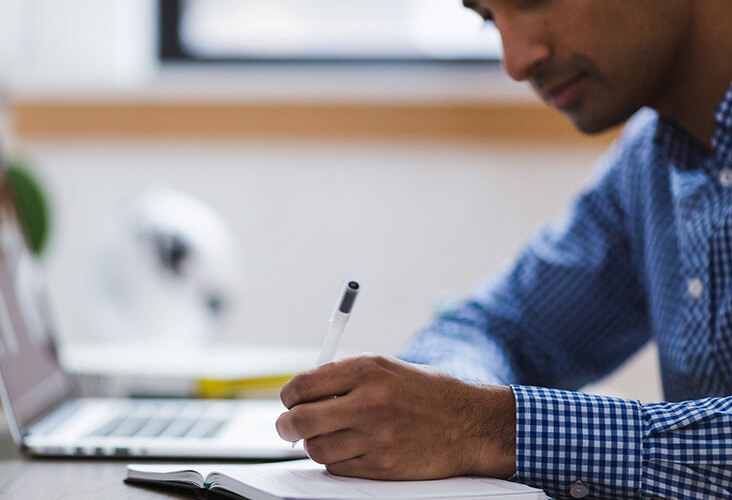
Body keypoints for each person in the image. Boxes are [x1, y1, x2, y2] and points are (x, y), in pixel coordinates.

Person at [274, 1, 732, 499]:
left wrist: (489, 427)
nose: (515, 63)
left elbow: (482, 417)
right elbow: (496, 328)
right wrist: (442, 410)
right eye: (489, 18)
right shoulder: (649, 162)